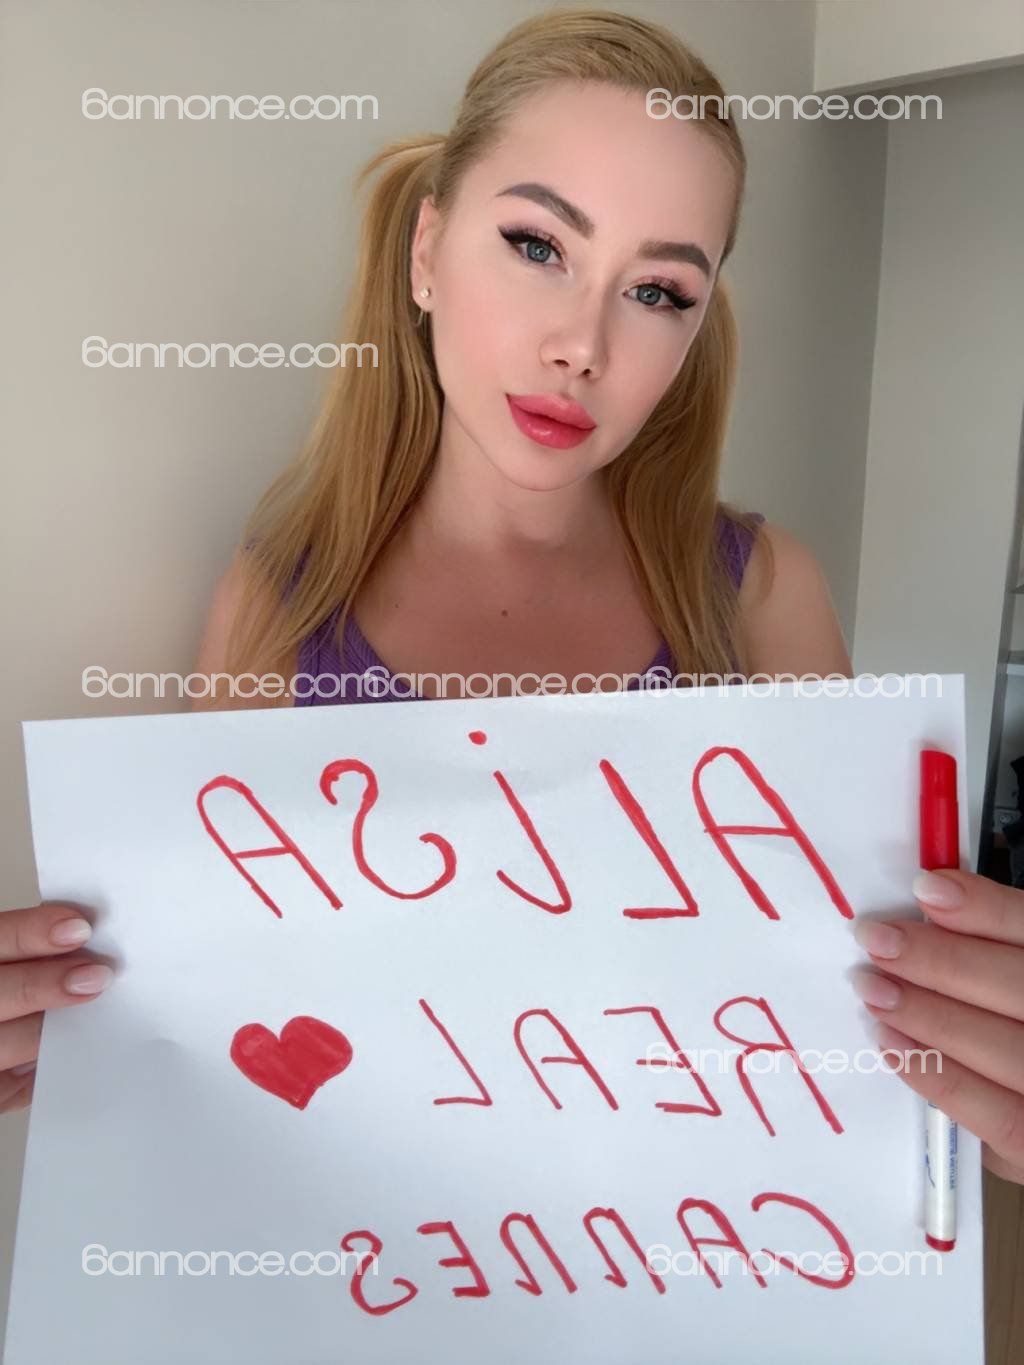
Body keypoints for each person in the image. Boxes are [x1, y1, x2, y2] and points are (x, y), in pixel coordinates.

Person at [3, 9, 1022, 1189]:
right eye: (538, 244)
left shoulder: (759, 597)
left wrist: (971, 1078)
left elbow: (851, 1033)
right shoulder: (276, 611)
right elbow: (219, 1010)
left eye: (658, 292)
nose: (581, 345)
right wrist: (99, 1041)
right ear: (427, 249)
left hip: (678, 1257)